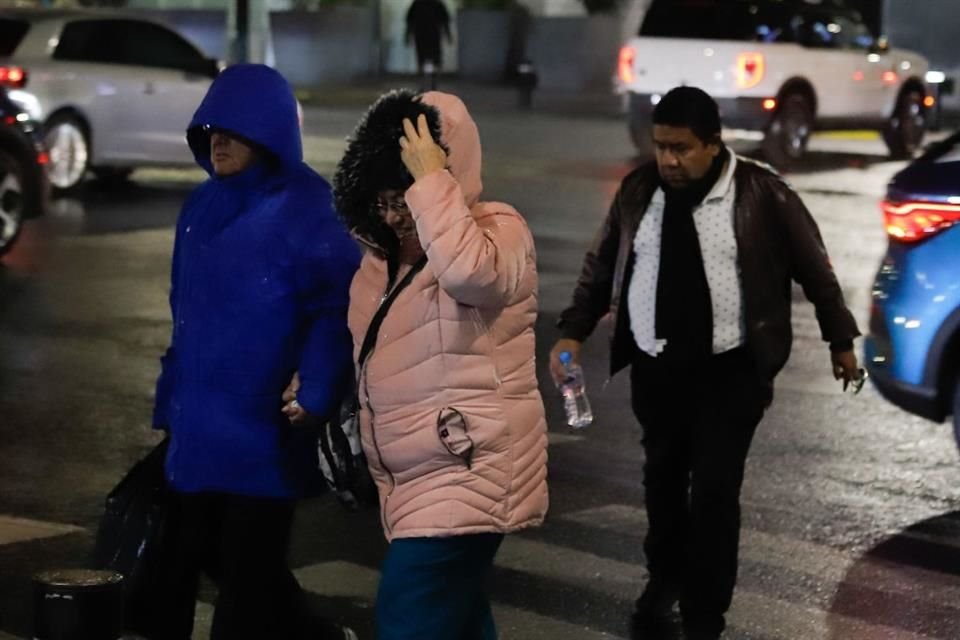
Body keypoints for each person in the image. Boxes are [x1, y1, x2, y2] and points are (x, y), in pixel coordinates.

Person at [549, 86, 861, 640]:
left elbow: (816, 269)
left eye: (681, 148)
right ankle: (664, 576)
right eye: (661, 146)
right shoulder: (639, 190)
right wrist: (571, 331)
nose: (668, 160)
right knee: (662, 482)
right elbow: (602, 268)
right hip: (657, 368)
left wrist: (841, 341)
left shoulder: (762, 193)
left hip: (730, 371)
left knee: (715, 492)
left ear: (714, 145)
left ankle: (705, 613)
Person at [323, 89, 548, 639]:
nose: (396, 214)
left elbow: (473, 276)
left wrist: (430, 182)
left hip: (467, 468)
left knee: (410, 615)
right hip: (413, 475)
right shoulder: (380, 262)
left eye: (403, 195)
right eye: (384, 200)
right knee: (459, 617)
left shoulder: (499, 230)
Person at [150, 64, 361, 640]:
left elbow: (336, 309)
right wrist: (172, 396)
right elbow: (185, 311)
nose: (217, 140)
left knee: (244, 588)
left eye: (233, 130)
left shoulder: (310, 210)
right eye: (210, 128)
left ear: (268, 133)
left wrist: (316, 387)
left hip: (262, 432)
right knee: (208, 564)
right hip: (197, 431)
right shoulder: (200, 209)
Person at [405, 0, 452, 74]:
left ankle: (425, 77)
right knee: (434, 58)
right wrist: (448, 35)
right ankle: (432, 77)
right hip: (432, 35)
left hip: (422, 35)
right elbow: (445, 22)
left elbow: (410, 22)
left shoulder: (417, 4)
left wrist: (407, 36)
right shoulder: (437, 4)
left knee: (423, 58)